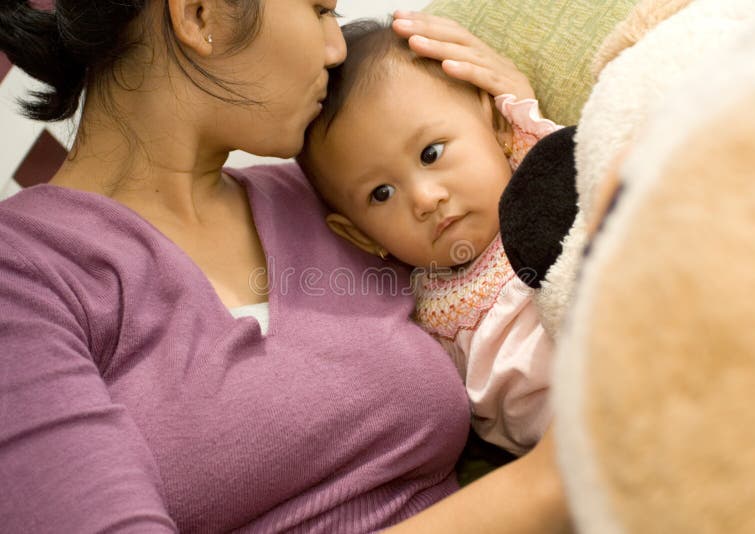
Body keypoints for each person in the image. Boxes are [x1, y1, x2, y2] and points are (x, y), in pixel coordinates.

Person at [0, 0, 570, 531]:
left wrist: (521, 141)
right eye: (318, 8)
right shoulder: (24, 274)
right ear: (202, 14)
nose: (336, 47)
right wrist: (553, 480)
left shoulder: (340, 198)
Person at [298, 17, 561, 456]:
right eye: (381, 194)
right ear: (361, 236)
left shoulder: (535, 173)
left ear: (491, 120)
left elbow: (582, 165)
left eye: (431, 153)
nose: (424, 198)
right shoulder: (418, 311)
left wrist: (517, 104)